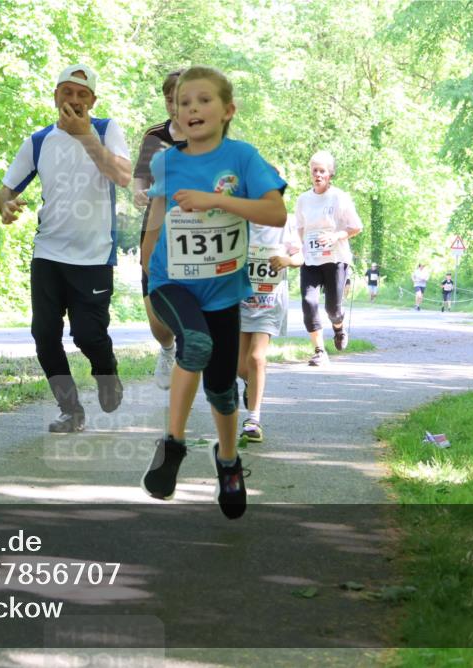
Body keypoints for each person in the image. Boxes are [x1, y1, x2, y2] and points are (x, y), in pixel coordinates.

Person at [139, 66, 287, 519]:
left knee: (223, 388)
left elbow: (275, 212)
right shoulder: (164, 161)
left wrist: (218, 200)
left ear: (227, 111)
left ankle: (228, 462)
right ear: (175, 114)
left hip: (223, 291)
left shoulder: (243, 158)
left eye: (203, 101)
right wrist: (146, 273)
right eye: (184, 103)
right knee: (195, 343)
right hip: (171, 280)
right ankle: (173, 445)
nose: (192, 109)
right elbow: (157, 214)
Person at [0, 64, 132, 432]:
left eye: (82, 94)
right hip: (49, 253)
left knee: (88, 335)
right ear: (55, 95)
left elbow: (122, 176)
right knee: (44, 335)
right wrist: (5, 204)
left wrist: (86, 135)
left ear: (93, 100)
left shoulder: (105, 130)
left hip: (93, 253)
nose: (73, 100)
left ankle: (107, 371)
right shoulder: (38, 141)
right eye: (67, 92)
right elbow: (6, 189)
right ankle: (70, 411)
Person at [132, 69, 186, 390]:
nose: (173, 105)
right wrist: (139, 190)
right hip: (154, 225)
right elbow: (140, 175)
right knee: (156, 321)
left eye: (178, 98)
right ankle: (167, 348)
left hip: (194, 229)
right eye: (168, 99)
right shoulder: (154, 135)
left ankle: (190, 348)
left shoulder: (205, 135)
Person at [237, 215, 303, 443]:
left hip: (269, 301)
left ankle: (253, 420)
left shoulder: (285, 221)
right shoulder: (237, 218)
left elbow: (300, 256)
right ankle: (249, 382)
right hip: (240, 300)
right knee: (240, 367)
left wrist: (287, 260)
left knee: (256, 357)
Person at [295, 150, 363, 366]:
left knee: (332, 308)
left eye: (322, 171)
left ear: (330, 174)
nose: (318, 174)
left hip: (335, 259)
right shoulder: (303, 199)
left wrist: (335, 236)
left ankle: (338, 327)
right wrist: (300, 248)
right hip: (311, 260)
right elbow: (300, 228)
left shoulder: (339, 197)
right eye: (314, 170)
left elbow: (356, 227)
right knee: (309, 301)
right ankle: (319, 351)